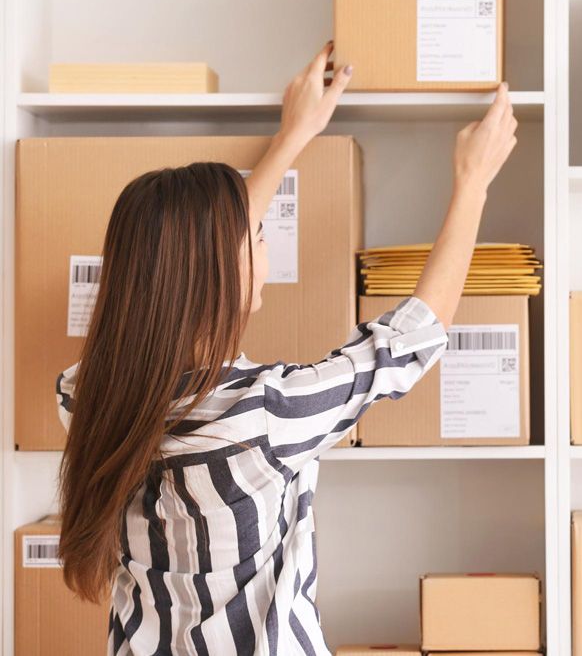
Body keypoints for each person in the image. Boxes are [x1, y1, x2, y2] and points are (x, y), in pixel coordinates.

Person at [55, 41, 518, 655]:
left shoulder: (87, 396)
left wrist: (294, 136)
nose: (267, 245)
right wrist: (473, 181)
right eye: (259, 235)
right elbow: (412, 337)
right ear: (221, 273)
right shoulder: (265, 417)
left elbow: (193, 263)